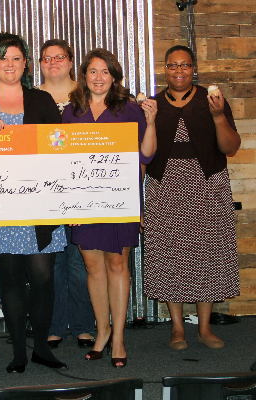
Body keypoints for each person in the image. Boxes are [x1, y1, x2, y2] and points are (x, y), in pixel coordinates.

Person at [0, 32, 67, 374]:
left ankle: (42, 348)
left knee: (44, 276)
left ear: (25, 64)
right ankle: (19, 351)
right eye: (3, 58)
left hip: (39, 207)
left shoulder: (42, 100)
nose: (9, 64)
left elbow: (60, 148)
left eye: (16, 58)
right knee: (11, 278)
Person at [63, 48, 157, 368]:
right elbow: (63, 162)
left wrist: (151, 121)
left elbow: (145, 155)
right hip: (84, 202)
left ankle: (118, 337)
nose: (99, 77)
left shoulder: (129, 109)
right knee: (93, 268)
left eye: (105, 72)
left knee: (118, 265)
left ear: (114, 77)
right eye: (93, 71)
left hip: (120, 200)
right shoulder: (71, 112)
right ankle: (101, 331)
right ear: (84, 76)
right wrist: (70, 205)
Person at [143, 45, 240, 350]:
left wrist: (218, 115)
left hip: (208, 184)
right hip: (166, 186)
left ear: (193, 68)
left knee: (207, 253)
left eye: (185, 65)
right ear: (165, 69)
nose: (179, 71)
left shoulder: (212, 101)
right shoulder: (154, 104)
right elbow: (144, 154)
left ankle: (205, 328)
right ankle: (176, 328)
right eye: (173, 66)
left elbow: (230, 147)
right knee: (171, 253)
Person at [38, 39, 96, 349]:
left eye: (60, 57)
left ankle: (84, 325)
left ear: (71, 61)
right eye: (47, 58)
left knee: (79, 260)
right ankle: (54, 325)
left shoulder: (87, 94)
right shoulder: (32, 97)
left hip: (80, 187)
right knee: (53, 262)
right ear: (40, 64)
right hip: (44, 189)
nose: (54, 62)